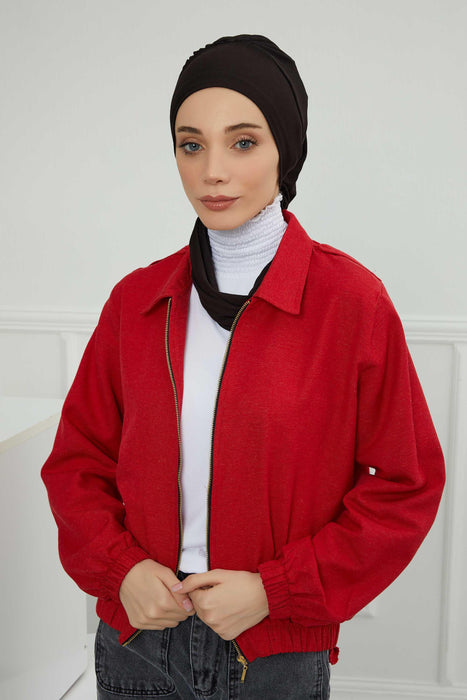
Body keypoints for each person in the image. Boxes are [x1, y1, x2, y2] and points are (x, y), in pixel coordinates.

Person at [41, 34, 445, 700]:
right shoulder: (137, 302)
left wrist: (274, 591)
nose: (212, 172)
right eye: (190, 145)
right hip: (137, 640)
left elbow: (404, 483)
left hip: (272, 650)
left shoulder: (350, 302)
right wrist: (121, 571)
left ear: (285, 149)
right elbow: (77, 462)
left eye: (243, 142)